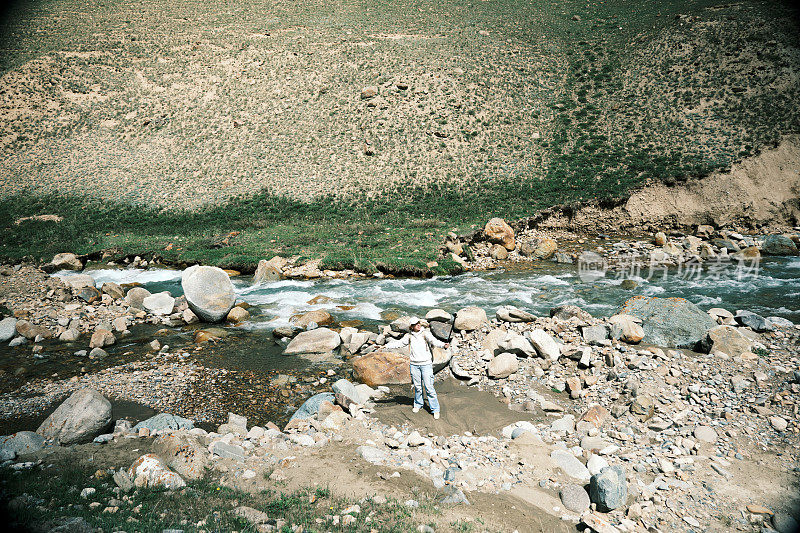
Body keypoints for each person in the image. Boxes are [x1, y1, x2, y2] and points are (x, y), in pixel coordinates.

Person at [384, 317, 449, 419]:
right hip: (414, 365)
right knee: (418, 387)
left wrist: (443, 345)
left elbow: (434, 341)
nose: (418, 325)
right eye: (416, 324)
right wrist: (385, 346)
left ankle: (435, 409)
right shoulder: (409, 336)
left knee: (429, 388)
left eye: (418, 323)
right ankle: (418, 404)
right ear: (412, 326)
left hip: (426, 365)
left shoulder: (425, 334)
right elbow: (398, 343)